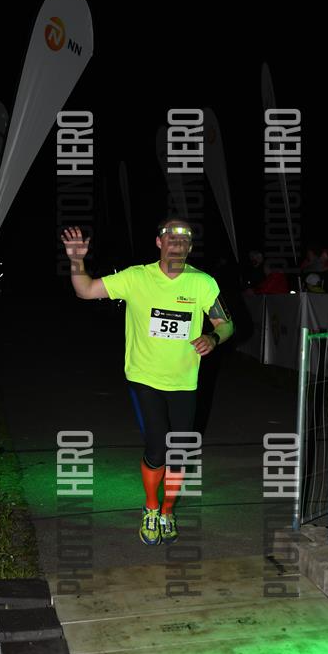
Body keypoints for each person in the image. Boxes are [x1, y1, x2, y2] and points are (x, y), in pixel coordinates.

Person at [61, 219, 234, 546]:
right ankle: (151, 507)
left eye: (184, 240)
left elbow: (225, 323)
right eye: (171, 237)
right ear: (159, 243)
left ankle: (167, 511)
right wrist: (76, 261)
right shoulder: (136, 277)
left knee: (179, 453)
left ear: (190, 247)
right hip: (145, 379)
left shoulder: (203, 283)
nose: (177, 244)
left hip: (184, 382)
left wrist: (213, 337)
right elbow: (85, 290)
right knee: (157, 447)